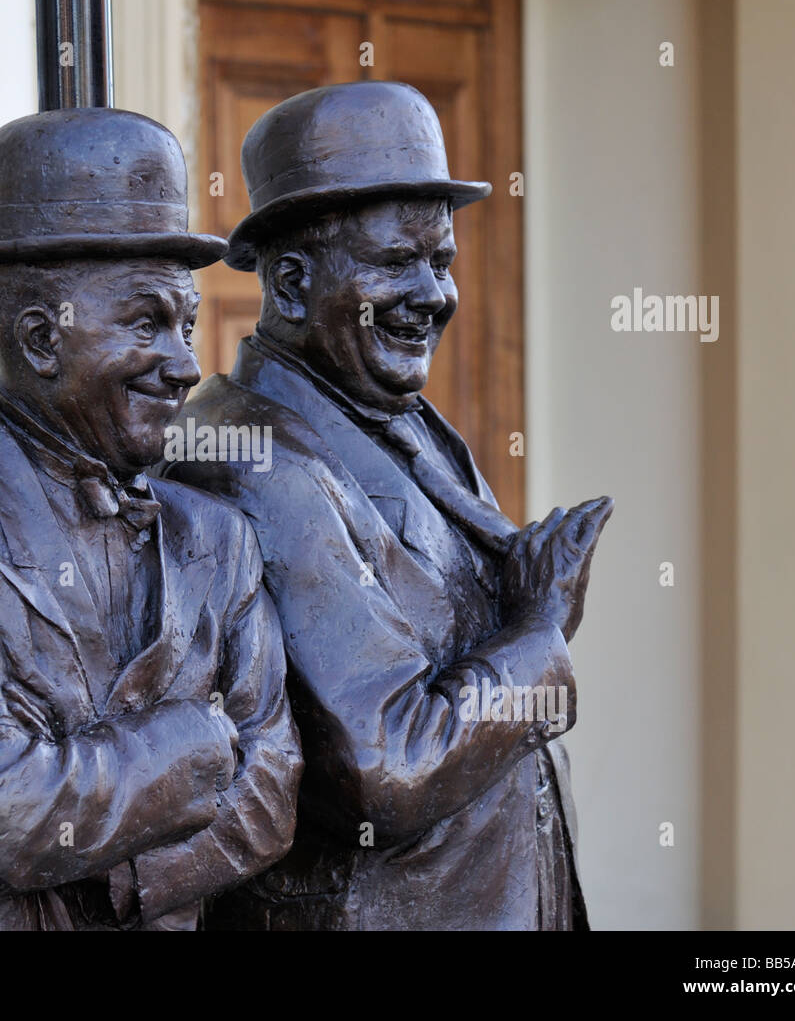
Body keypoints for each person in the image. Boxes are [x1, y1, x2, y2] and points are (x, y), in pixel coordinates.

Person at [0, 107, 302, 930]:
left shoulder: (218, 537)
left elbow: (272, 788)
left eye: (185, 321)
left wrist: (114, 873)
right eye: (147, 323)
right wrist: (196, 741)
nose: (186, 364)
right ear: (41, 339)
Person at [165, 81, 612, 930]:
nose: (435, 294)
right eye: (396, 263)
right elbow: (383, 761)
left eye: (441, 260)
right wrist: (540, 629)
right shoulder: (249, 459)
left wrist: (508, 594)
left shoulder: (398, 414)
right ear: (291, 284)